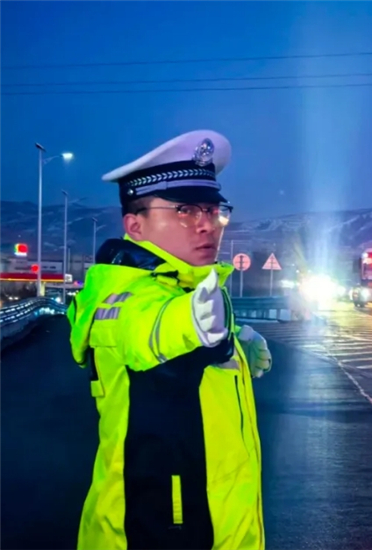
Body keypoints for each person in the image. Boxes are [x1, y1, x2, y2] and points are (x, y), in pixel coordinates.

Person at [66, 130, 271, 550]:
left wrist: (234, 342)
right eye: (184, 210)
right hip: (149, 533)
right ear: (135, 225)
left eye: (212, 210)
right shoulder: (120, 296)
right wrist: (190, 324)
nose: (207, 224)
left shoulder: (187, 288)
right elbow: (144, 328)